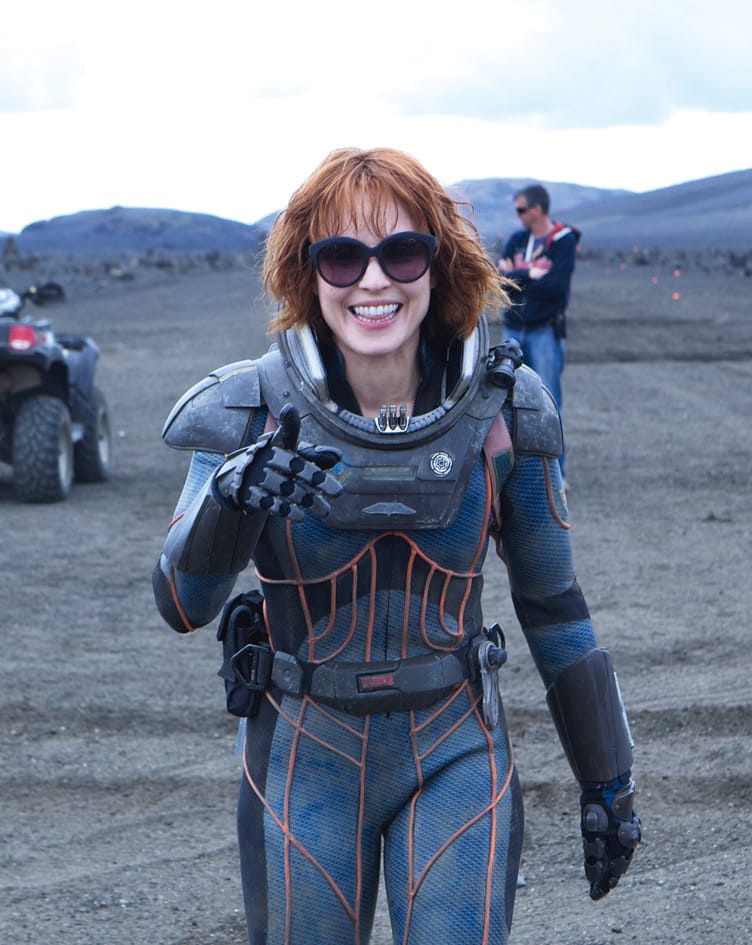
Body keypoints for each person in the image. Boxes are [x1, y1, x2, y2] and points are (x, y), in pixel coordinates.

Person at [152, 148, 640, 945]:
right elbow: (182, 604)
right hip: (303, 756)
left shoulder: (505, 411)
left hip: (456, 755)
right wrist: (229, 502)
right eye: (342, 257)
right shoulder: (248, 410)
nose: (373, 281)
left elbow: (554, 604)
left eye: (402, 252)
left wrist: (608, 780)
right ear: (307, 271)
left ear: (438, 265)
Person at [497, 184, 580, 474]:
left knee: (549, 404)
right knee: (506, 403)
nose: (518, 215)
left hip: (544, 331)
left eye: (521, 209)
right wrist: (530, 274)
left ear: (537, 209)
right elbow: (501, 280)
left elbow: (555, 286)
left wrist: (516, 276)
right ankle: (514, 476)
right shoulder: (518, 239)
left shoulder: (562, 241)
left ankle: (556, 477)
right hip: (513, 331)